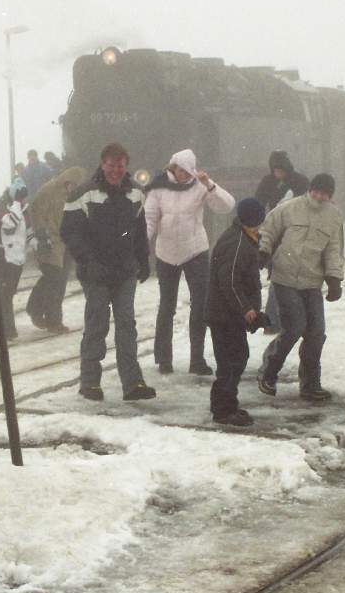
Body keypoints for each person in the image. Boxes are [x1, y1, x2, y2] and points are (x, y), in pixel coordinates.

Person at [60, 143, 156, 401]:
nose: (116, 170)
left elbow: (138, 229)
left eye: (120, 166)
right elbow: (70, 232)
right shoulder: (83, 195)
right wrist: (87, 261)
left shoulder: (136, 193)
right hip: (96, 272)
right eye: (111, 165)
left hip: (124, 270)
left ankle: (133, 383)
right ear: (103, 164)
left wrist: (143, 259)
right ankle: (90, 382)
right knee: (97, 324)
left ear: (126, 167)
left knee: (127, 324)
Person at [145, 148, 236, 375]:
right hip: (166, 253)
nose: (183, 174)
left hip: (195, 251)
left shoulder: (200, 186)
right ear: (172, 167)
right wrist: (139, 246)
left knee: (200, 305)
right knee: (167, 306)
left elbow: (226, 206)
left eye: (187, 171)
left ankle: (197, 359)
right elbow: (149, 220)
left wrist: (209, 185)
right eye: (179, 169)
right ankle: (164, 359)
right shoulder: (157, 188)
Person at [257, 173, 344, 402]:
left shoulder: (333, 217)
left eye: (325, 193)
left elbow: (334, 249)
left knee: (316, 333)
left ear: (330, 196)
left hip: (311, 282)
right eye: (316, 190)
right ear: (310, 189)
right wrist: (264, 251)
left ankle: (310, 385)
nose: (319, 196)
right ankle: (268, 371)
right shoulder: (290, 208)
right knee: (294, 327)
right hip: (284, 278)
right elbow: (268, 229)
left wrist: (334, 278)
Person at [206, 198, 267, 426]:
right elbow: (230, 281)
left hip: (228, 313)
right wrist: (247, 309)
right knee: (232, 360)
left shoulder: (245, 238)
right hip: (224, 315)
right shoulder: (238, 242)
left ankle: (227, 405)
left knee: (235, 358)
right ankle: (223, 410)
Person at [27, 166, 87, 333]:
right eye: (71, 185)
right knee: (54, 279)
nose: (73, 188)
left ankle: (43, 313)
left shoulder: (73, 195)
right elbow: (37, 212)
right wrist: (42, 236)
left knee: (57, 282)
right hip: (51, 241)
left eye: (76, 186)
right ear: (66, 180)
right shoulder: (49, 191)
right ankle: (44, 315)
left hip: (66, 243)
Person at [254, 150, 307, 336]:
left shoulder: (299, 182)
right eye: (275, 170)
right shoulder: (269, 182)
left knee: (285, 278)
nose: (277, 173)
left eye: (280, 170)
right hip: (276, 233)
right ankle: (275, 320)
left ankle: (277, 320)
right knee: (278, 276)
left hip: (294, 234)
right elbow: (258, 202)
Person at [0, 184, 30, 339]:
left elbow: (27, 227)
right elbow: (12, 222)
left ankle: (0, 321)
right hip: (2, 256)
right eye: (20, 197)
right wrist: (16, 202)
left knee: (9, 293)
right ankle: (8, 329)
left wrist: (35, 241)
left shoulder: (23, 207)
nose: (23, 200)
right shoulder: (0, 208)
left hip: (17, 257)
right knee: (6, 293)